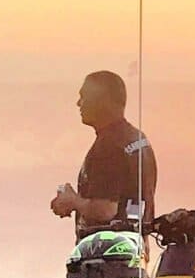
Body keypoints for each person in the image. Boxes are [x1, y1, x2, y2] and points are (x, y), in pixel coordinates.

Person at [50, 70, 157, 228]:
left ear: (102, 100)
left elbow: (106, 210)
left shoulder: (109, 146)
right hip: (136, 243)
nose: (79, 103)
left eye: (84, 96)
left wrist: (73, 200)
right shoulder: (137, 139)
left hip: (108, 248)